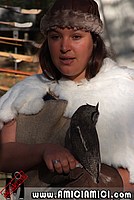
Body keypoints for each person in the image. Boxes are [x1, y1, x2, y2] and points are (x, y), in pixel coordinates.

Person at [0, 0, 134, 192]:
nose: (64, 47)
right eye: (55, 37)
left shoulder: (126, 89)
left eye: (76, 36)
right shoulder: (29, 91)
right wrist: (42, 151)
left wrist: (106, 182)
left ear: (94, 41)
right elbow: (4, 155)